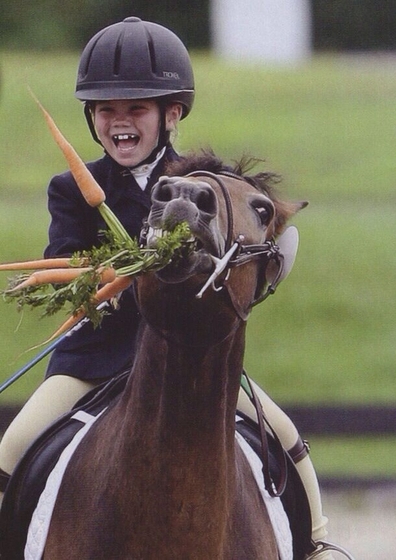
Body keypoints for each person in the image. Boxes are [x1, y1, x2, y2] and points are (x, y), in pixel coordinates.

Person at [0, 17, 332, 559]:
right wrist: (132, 275)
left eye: (136, 109)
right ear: (91, 118)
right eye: (107, 110)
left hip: (188, 361)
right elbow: (65, 265)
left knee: (287, 438)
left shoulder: (198, 189)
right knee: (11, 448)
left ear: (171, 113)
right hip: (92, 362)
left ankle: (318, 544)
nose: (119, 122)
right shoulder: (70, 189)